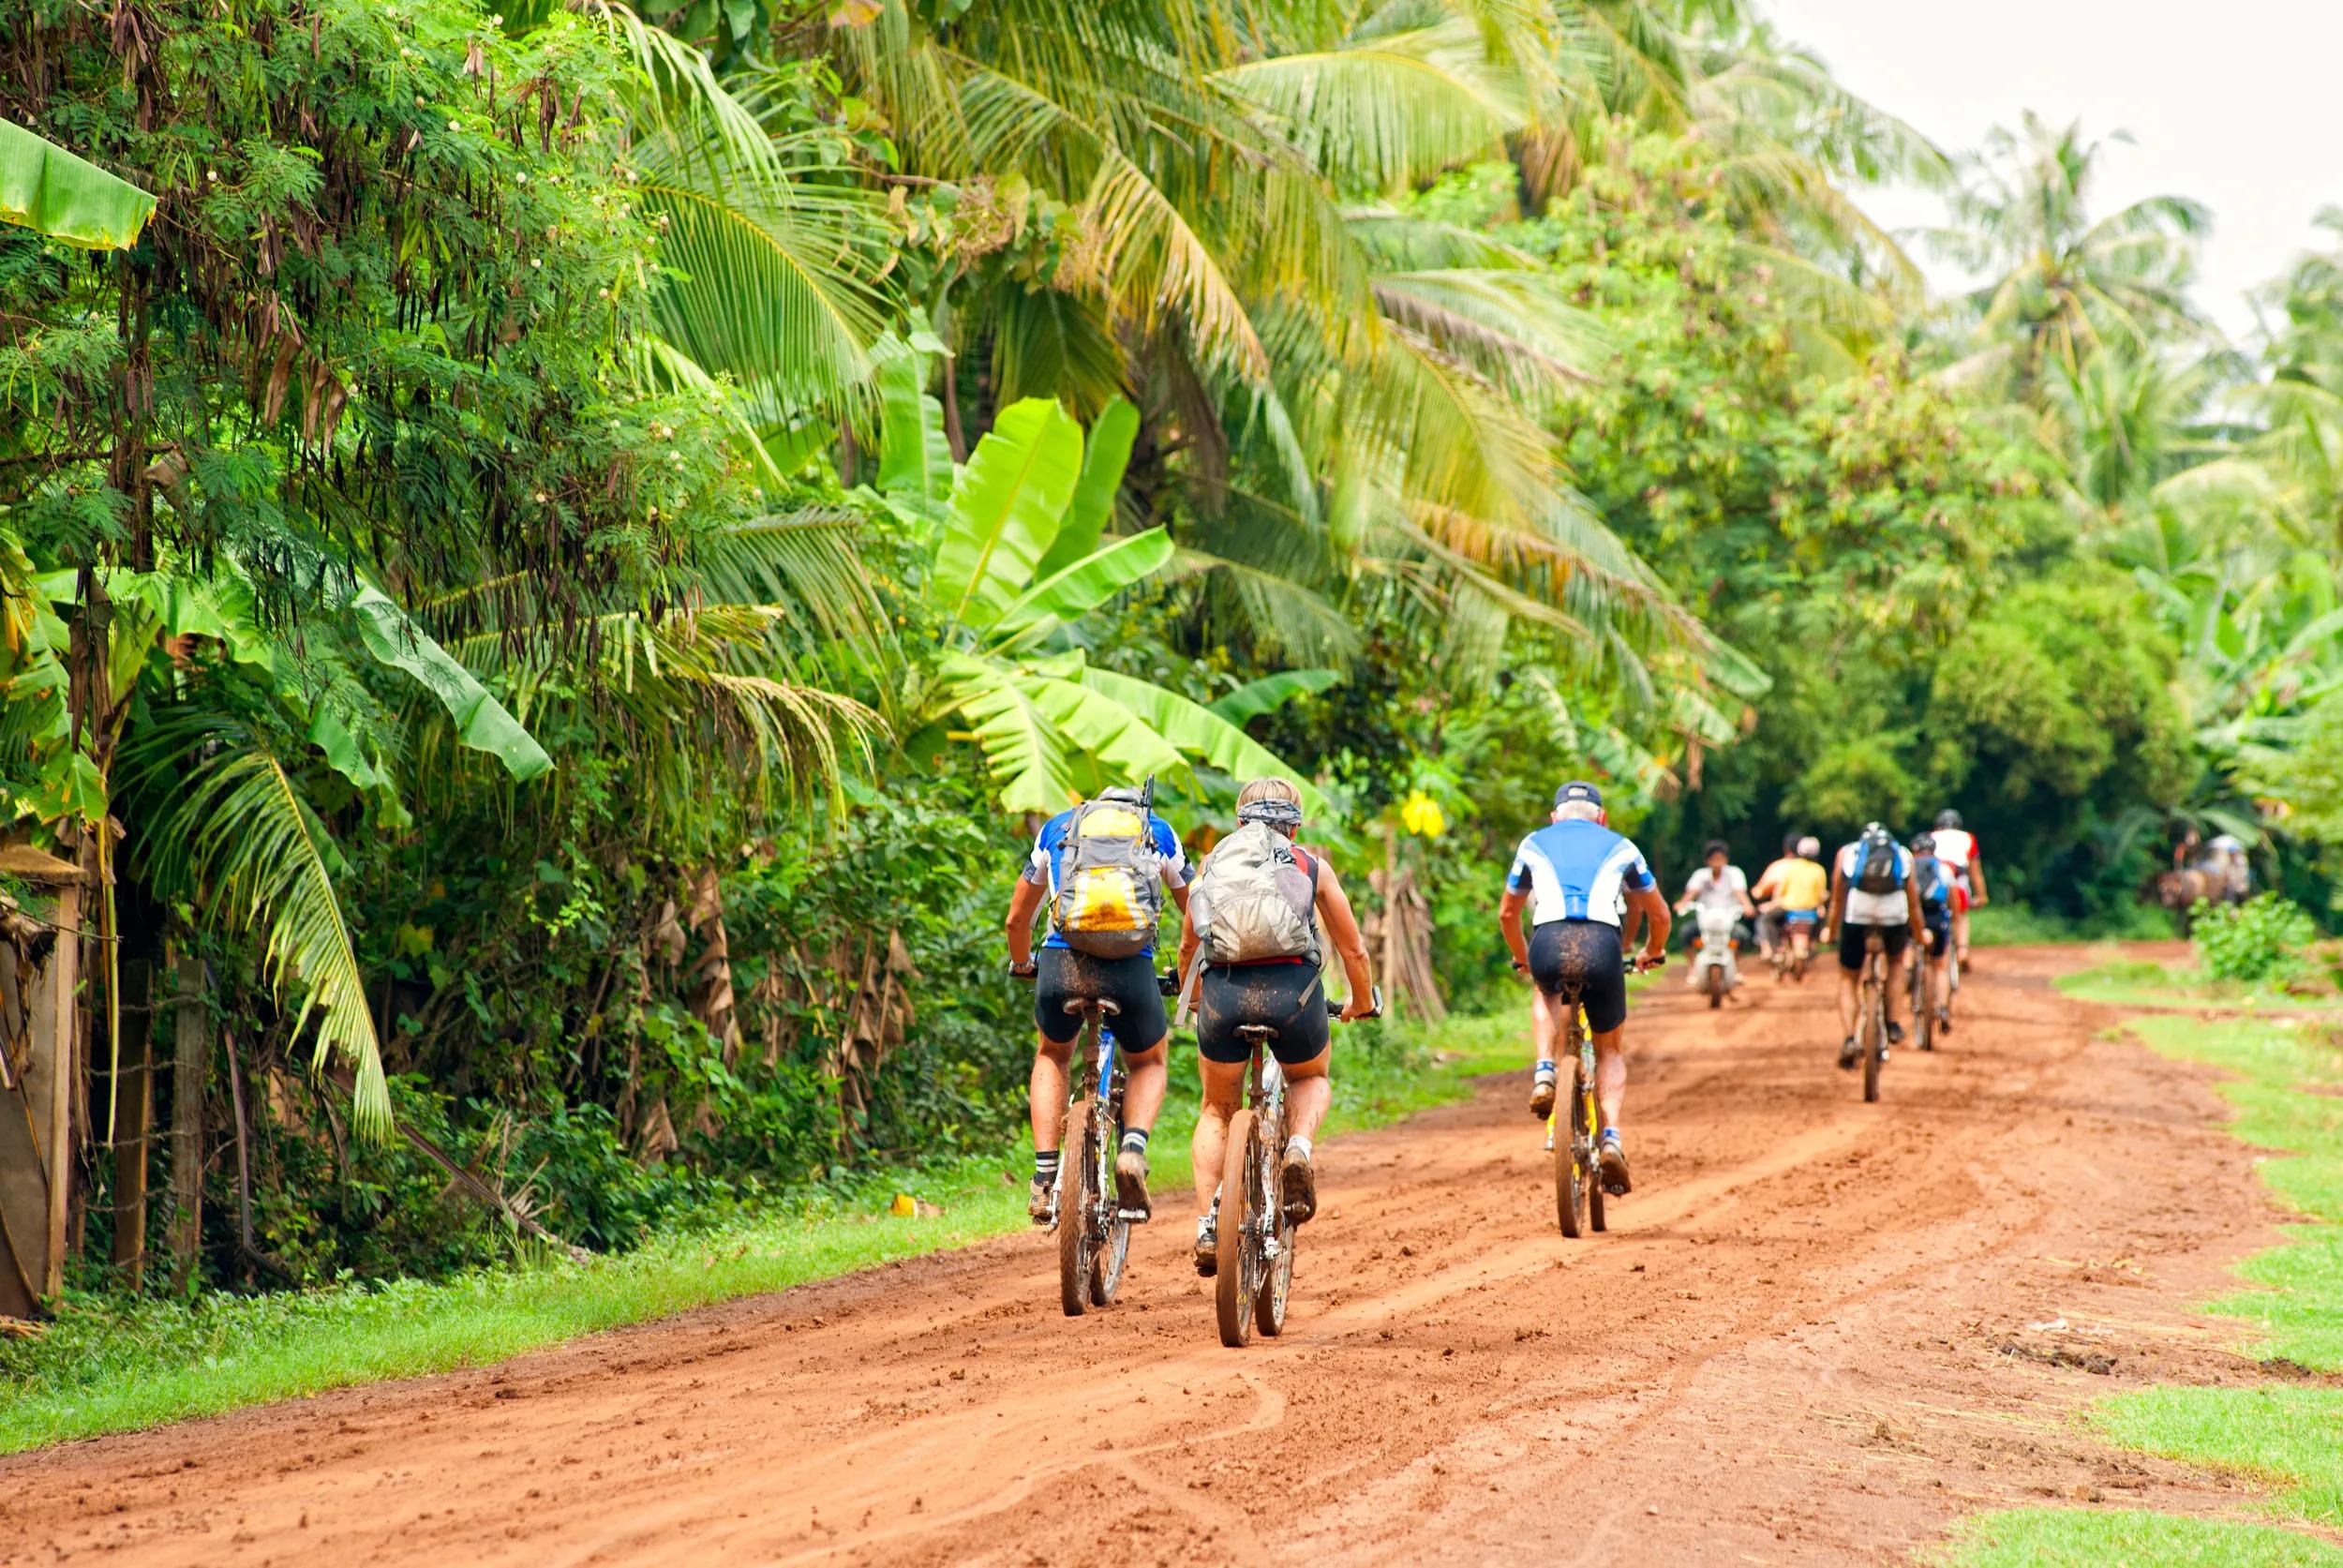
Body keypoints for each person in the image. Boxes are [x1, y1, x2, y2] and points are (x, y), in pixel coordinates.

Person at [1175, 778, 1376, 1276]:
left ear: (1241, 821)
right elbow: (1353, 949)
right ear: (1295, 824)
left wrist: (1198, 1001)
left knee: (1218, 1109)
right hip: (1295, 995)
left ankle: (1208, 1224)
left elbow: (1187, 948)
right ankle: (1299, 1149)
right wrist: (1361, 1002)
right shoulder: (1311, 865)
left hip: (1225, 993)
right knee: (1309, 1077)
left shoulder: (1213, 864)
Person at [1004, 785, 1191, 1227]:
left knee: (1052, 1053)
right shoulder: (1157, 832)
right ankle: (1132, 1151)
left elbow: (1016, 919)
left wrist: (1021, 962)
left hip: (1061, 964)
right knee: (1149, 1062)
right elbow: (1196, 914)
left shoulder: (1058, 829)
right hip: (1131, 970)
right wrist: (1186, 973)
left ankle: (1045, 1176)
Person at [1498, 781, 1670, 1196]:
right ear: (1602, 817)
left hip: (1549, 940)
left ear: (1554, 816)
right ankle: (1611, 1136)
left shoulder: (1533, 842)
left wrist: (1523, 956)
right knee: (1609, 1049)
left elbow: (1508, 912)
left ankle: (1544, 1072)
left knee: (1545, 991)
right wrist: (1652, 951)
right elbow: (1659, 914)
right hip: (1602, 946)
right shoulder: (1623, 846)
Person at [1825, 822, 1929, 1070]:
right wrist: (1919, 931)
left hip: (1856, 916)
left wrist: (1830, 929)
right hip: (1894, 916)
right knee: (1895, 963)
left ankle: (1850, 1037)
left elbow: (1838, 897)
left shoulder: (1848, 852)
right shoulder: (1903, 853)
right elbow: (1913, 900)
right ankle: (1893, 1023)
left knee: (1848, 978)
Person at [1676, 840, 1756, 989]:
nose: (1717, 862)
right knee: (1686, 933)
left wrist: (1747, 905)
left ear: (1726, 859)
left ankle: (1735, 968)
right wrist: (1682, 903)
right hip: (1705, 921)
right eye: (1714, 858)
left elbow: (1739, 892)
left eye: (1720, 858)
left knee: (1742, 936)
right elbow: (1691, 892)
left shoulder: (1734, 874)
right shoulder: (1700, 875)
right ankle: (1692, 968)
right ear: (1707, 860)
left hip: (1727, 920)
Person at [1752, 831, 1828, 972]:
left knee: (1765, 920)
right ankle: (1813, 944)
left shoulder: (1788, 867)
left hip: (1789, 908)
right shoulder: (1819, 870)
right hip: (1810, 910)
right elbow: (1821, 894)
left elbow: (1779, 891)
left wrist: (1770, 903)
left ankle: (1773, 949)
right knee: (1820, 921)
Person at [1910, 831, 1956, 1035]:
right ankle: (1943, 1008)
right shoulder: (1944, 868)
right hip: (1937, 918)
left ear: (1915, 850)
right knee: (1940, 966)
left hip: (1915, 917)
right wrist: (1953, 917)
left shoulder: (1908, 867)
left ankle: (1909, 974)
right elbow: (1952, 898)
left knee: (1906, 953)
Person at [1930, 810, 1987, 966]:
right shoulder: (1968, 838)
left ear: (1937, 826)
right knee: (1961, 916)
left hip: (1935, 886)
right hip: (1959, 883)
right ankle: (1962, 951)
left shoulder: (1930, 837)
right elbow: (1975, 873)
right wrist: (1981, 896)